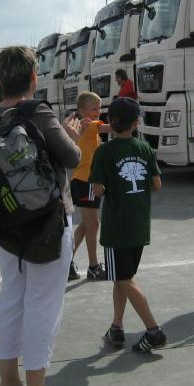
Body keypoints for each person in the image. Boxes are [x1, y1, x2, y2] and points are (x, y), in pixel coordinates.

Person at [0, 45, 80, 386]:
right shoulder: (39, 112)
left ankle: (9, 384)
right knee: (43, 302)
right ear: (33, 77)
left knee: (12, 297)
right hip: (48, 221)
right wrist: (69, 133)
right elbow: (72, 157)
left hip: (9, 221)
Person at [90, 97, 166, 352]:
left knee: (124, 279)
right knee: (122, 278)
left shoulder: (104, 152)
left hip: (116, 228)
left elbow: (98, 190)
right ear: (136, 123)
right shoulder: (144, 148)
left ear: (110, 122)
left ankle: (153, 330)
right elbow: (157, 184)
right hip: (139, 225)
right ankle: (117, 326)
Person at [68, 91, 111, 281]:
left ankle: (66, 262)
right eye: (94, 108)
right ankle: (93, 267)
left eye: (99, 108)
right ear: (82, 110)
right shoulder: (89, 125)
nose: (98, 112)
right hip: (85, 182)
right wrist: (128, 120)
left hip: (83, 181)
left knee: (86, 225)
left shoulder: (84, 126)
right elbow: (111, 127)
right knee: (93, 224)